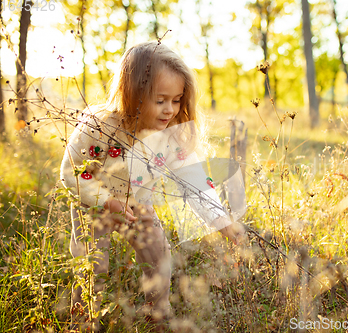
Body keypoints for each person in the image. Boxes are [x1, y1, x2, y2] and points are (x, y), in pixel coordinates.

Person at [60, 41, 245, 331]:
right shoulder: (99, 125)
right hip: (92, 205)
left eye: (177, 100)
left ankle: (157, 314)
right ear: (133, 93)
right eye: (160, 100)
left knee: (158, 254)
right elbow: (72, 173)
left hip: (137, 205)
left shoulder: (170, 135)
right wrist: (107, 201)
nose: (170, 110)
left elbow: (195, 182)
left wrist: (222, 222)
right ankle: (83, 318)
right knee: (93, 264)